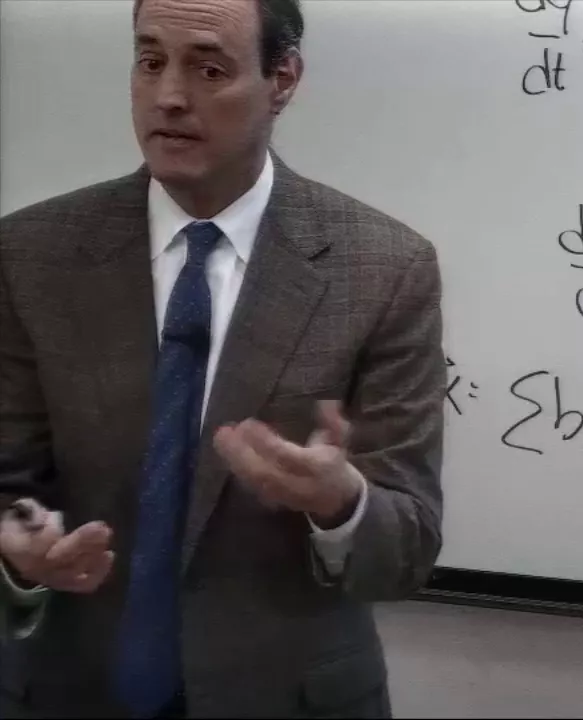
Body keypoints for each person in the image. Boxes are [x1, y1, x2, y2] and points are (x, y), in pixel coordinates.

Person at [0, 0, 446, 716]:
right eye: (150, 62)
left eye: (209, 69)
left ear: (283, 79)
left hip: (291, 696)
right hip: (69, 690)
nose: (169, 96)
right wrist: (16, 551)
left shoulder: (383, 269)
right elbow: (9, 483)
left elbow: (409, 547)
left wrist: (339, 501)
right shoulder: (30, 255)